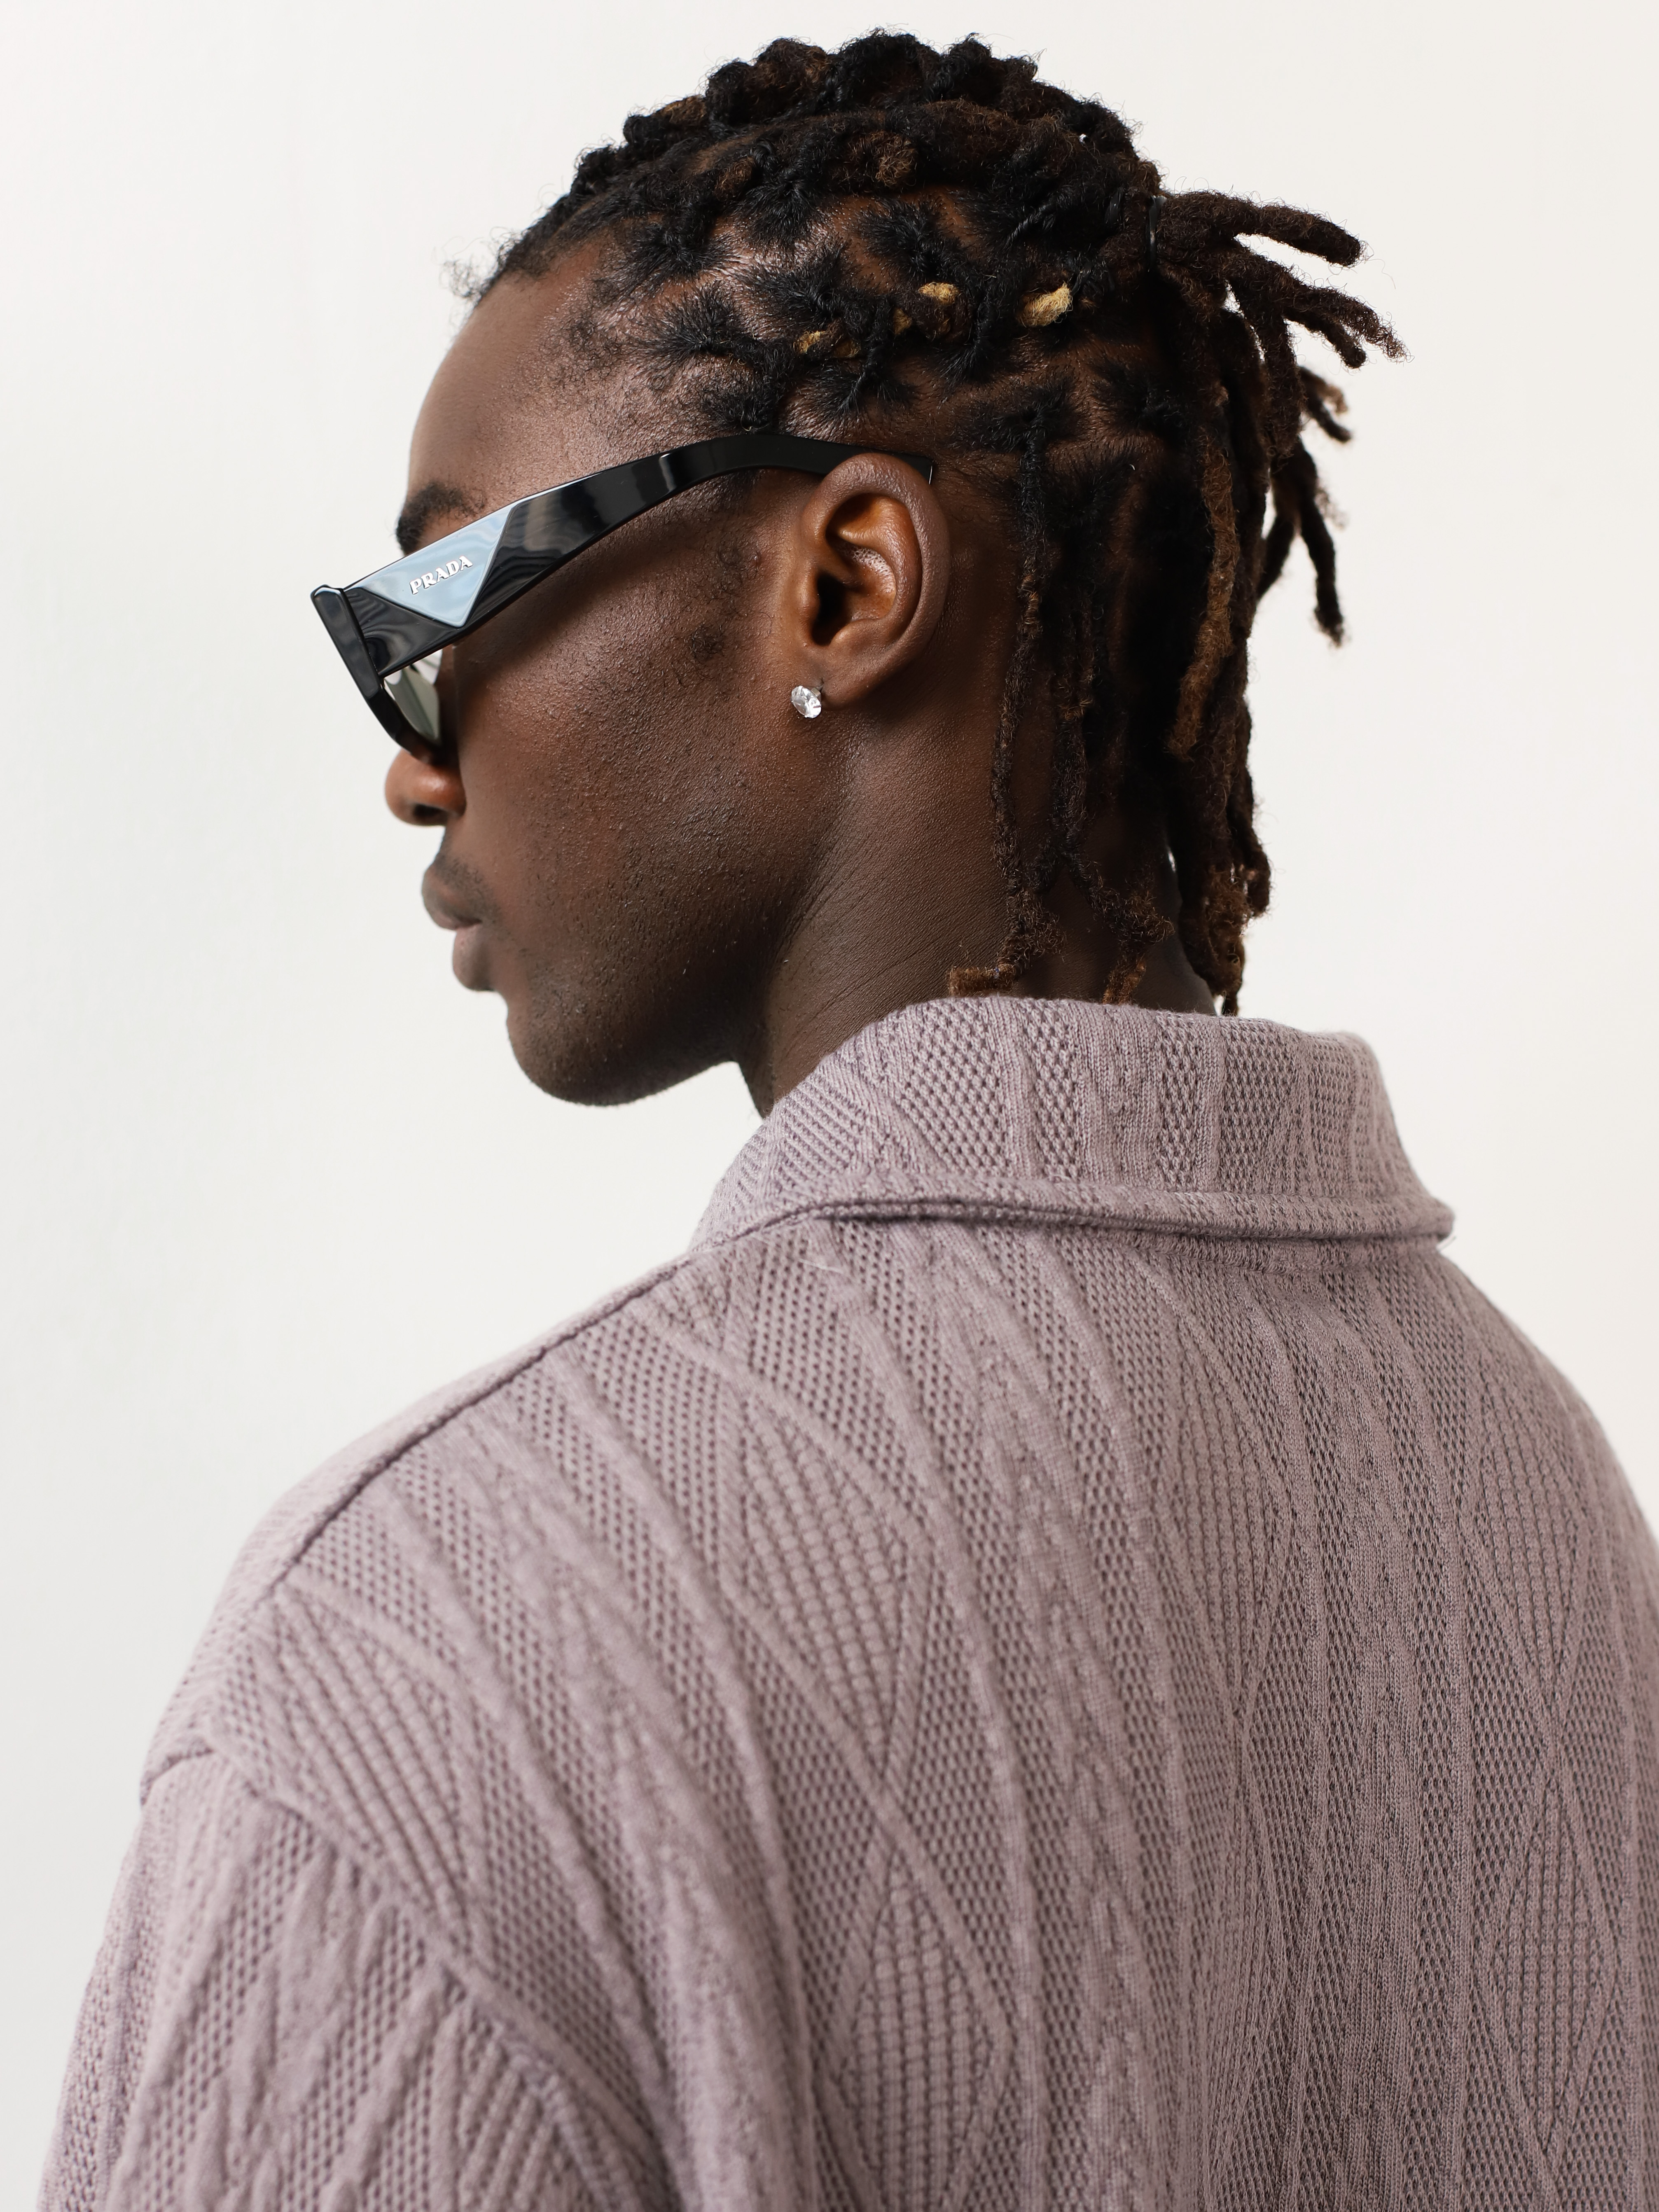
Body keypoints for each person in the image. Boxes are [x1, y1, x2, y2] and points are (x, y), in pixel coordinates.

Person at [41, 33, 1659, 2210]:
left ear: (845, 585)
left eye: (441, 605)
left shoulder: (438, 1649)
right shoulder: (1547, 1507)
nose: (416, 761)